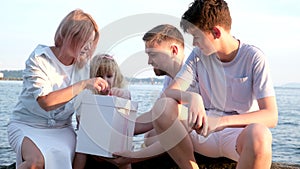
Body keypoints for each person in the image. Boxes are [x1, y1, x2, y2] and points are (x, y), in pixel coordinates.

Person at [150, 0, 278, 169]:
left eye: (196, 37)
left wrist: (221, 121)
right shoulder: (197, 56)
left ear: (216, 32)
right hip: (202, 135)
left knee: (261, 135)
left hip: (236, 136)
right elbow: (169, 93)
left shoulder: (253, 58)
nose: (194, 43)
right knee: (164, 107)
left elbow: (271, 116)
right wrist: (192, 97)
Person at [7, 9, 109, 169]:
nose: (88, 48)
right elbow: (46, 102)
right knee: (35, 163)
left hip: (62, 129)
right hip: (27, 125)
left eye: (91, 43)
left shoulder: (84, 69)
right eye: (85, 41)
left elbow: (82, 117)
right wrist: (82, 85)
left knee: (81, 154)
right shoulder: (39, 58)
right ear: (70, 35)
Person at [110, 24, 193, 165]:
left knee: (154, 136)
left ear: (173, 50)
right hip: (184, 133)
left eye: (153, 54)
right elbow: (154, 115)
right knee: (150, 135)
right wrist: (117, 128)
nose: (149, 62)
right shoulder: (169, 78)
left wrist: (134, 156)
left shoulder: (191, 78)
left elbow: (181, 134)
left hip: (197, 136)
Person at [73, 54, 131, 169]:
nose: (104, 81)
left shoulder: (118, 94)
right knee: (80, 150)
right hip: (90, 136)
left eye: (109, 76)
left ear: (116, 77)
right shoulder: (87, 95)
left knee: (126, 153)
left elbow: (126, 122)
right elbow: (81, 121)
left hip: (112, 138)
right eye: (99, 76)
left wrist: (126, 97)